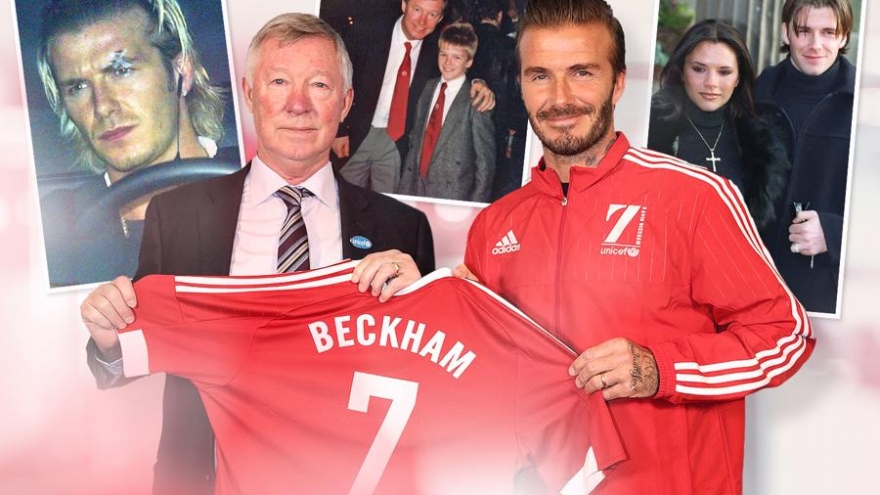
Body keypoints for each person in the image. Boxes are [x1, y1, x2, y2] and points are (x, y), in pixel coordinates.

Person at [454, 0, 815, 493]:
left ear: (618, 83)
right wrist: (422, 300)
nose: (560, 98)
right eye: (540, 76)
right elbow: (478, 378)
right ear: (520, 85)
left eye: (582, 72)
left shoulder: (694, 197)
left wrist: (660, 369)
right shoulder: (494, 225)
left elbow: (785, 336)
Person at [80, 13, 435, 495]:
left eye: (319, 85)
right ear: (249, 94)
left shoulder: (402, 230)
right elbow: (130, 355)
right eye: (279, 82)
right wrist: (109, 342)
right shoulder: (178, 215)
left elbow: (431, 388)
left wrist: (427, 306)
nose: (297, 104)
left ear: (346, 102)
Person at [36, 0, 239, 287]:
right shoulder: (54, 228)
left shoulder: (263, 184)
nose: (102, 107)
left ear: (181, 73)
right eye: (78, 87)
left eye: (121, 71)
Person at [754, 0, 855, 313]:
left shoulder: (868, 104)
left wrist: (836, 234)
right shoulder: (753, 95)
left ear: (844, 36)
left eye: (828, 32)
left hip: (829, 301)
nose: (815, 44)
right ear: (786, 32)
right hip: (754, 291)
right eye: (804, 31)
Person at [334, 0, 495, 193]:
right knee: (343, 199)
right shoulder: (368, 31)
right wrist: (339, 129)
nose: (422, 21)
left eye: (432, 14)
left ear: (440, 18)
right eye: (417, 9)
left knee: (385, 206)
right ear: (404, 5)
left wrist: (480, 82)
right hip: (355, 134)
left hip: (397, 144)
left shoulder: (436, 48)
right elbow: (338, 77)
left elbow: (462, 62)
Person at [648, 20, 791, 230]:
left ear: (738, 78)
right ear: (682, 71)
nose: (711, 83)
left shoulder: (760, 145)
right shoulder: (648, 133)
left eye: (724, 72)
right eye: (699, 69)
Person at [398, 23, 495, 202]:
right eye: (443, 54)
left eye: (456, 57)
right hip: (414, 185)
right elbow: (415, 137)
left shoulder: (476, 100)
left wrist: (474, 208)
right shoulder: (428, 87)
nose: (447, 62)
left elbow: (485, 164)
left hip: (451, 193)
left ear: (469, 62)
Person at [470, 0, 529, 200]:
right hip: (499, 125)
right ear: (500, 16)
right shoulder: (509, 46)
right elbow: (515, 91)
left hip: (468, 120)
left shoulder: (467, 41)